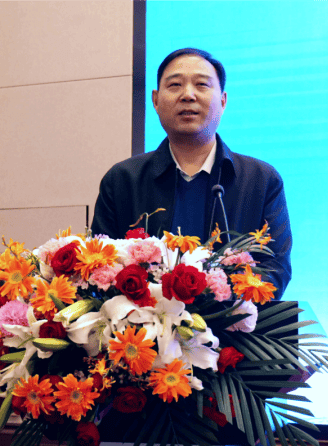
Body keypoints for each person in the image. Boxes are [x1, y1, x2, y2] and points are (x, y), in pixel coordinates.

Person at [91, 48, 292, 299]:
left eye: (202, 85)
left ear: (223, 101)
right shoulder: (122, 180)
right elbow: (101, 269)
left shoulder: (261, 180)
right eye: (175, 85)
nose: (188, 95)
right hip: (141, 321)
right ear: (155, 100)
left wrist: (220, 308)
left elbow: (274, 269)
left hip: (232, 322)